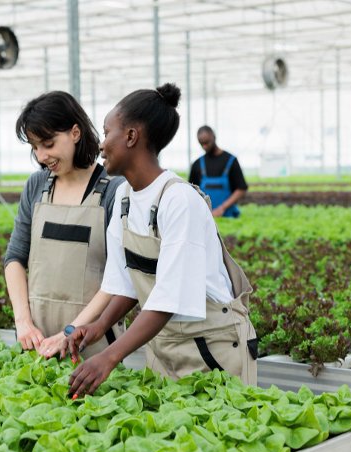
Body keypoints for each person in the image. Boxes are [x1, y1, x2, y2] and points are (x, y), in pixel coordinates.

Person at [63, 83, 258, 398]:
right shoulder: (124, 197)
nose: (101, 144)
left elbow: (168, 299)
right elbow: (126, 282)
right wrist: (99, 326)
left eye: (106, 131)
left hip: (213, 347)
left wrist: (110, 356)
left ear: (131, 137)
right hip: (163, 345)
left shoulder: (178, 200)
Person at [4, 91, 125, 359]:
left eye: (48, 143)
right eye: (34, 147)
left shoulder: (114, 191)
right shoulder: (36, 186)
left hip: (93, 345)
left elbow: (118, 277)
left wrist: (71, 332)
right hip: (38, 342)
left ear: (75, 132)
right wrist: (23, 321)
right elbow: (14, 257)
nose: (41, 155)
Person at [187, 125, 248, 218]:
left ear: (214, 137)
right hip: (205, 217)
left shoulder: (231, 160)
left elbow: (241, 189)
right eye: (201, 143)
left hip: (228, 216)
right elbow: (192, 192)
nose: (205, 146)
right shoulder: (197, 164)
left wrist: (222, 208)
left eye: (207, 142)